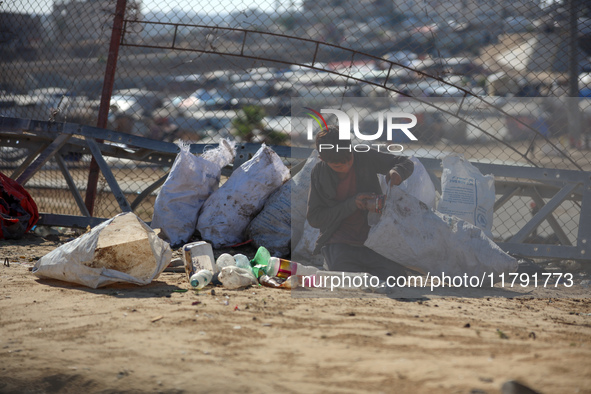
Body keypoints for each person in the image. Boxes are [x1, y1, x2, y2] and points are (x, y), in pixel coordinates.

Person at [306, 124, 415, 280]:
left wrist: (397, 172)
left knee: (396, 277)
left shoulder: (363, 156)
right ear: (322, 158)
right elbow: (315, 218)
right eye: (337, 165)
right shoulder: (319, 172)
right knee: (344, 278)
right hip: (339, 242)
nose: (345, 166)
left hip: (374, 240)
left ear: (351, 149)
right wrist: (352, 204)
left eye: (348, 160)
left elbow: (405, 162)